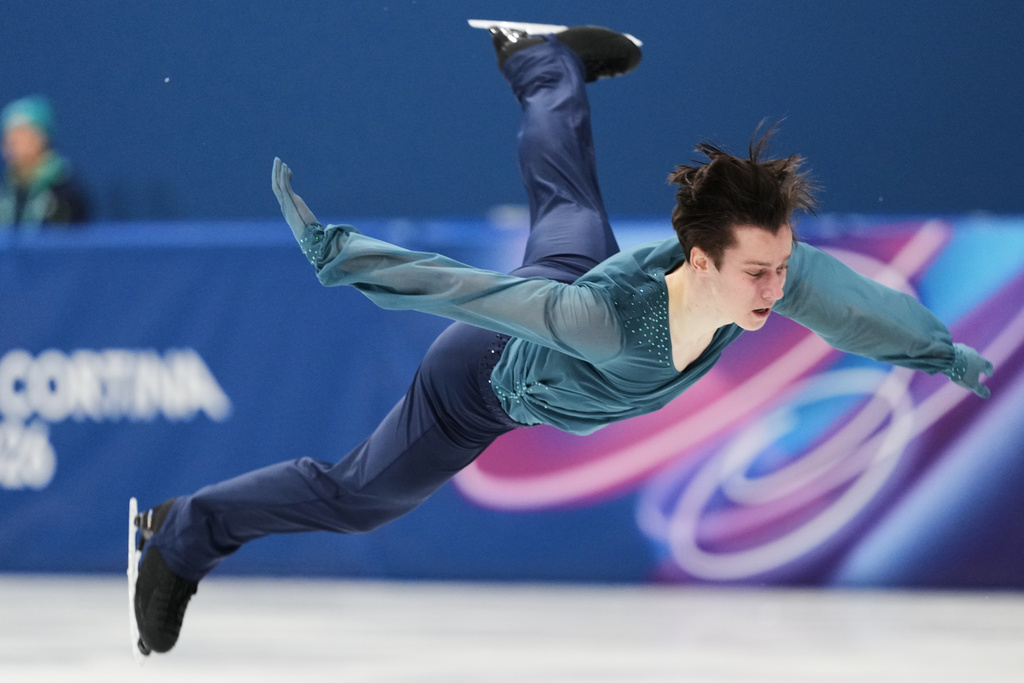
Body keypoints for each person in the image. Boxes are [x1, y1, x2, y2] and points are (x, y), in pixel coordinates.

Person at [129, 24, 993, 657]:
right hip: (483, 377)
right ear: (700, 259)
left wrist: (939, 350)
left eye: (781, 267)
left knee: (568, 201)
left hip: (576, 275)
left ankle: (538, 54)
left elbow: (850, 302)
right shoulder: (604, 321)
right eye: (760, 272)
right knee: (360, 496)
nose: (779, 287)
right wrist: (342, 256)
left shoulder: (761, 272)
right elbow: (473, 290)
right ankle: (181, 533)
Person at [0, 94, 88, 228]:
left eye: (21, 134)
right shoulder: (6, 193)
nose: (11, 143)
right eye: (8, 136)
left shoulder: (66, 193)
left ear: (42, 137)